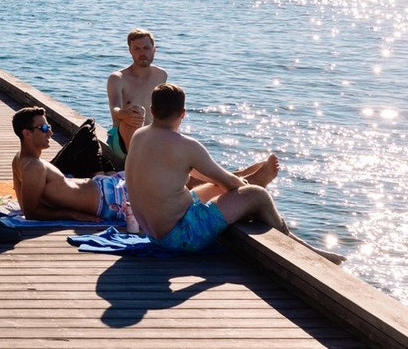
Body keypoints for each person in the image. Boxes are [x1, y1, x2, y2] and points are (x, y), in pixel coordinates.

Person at [126, 84, 322, 256]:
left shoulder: (139, 135)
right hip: (180, 237)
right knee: (258, 194)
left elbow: (199, 174)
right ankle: (295, 244)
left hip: (152, 233)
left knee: (217, 186)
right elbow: (228, 183)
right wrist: (241, 185)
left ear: (152, 110)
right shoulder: (185, 146)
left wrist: (234, 183)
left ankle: (250, 185)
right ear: (183, 113)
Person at [11, 106, 129, 223]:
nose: (50, 133)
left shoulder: (18, 159)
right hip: (111, 199)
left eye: (49, 127)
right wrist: (72, 214)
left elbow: (24, 204)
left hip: (108, 188)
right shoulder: (33, 166)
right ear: (27, 133)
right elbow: (30, 212)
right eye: (44, 128)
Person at [107, 28, 168, 157]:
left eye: (146, 48)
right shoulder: (117, 78)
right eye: (137, 49)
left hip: (151, 138)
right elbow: (114, 110)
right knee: (135, 113)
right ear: (130, 51)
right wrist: (125, 113)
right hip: (123, 140)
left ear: (154, 50)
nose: (142, 53)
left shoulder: (161, 75)